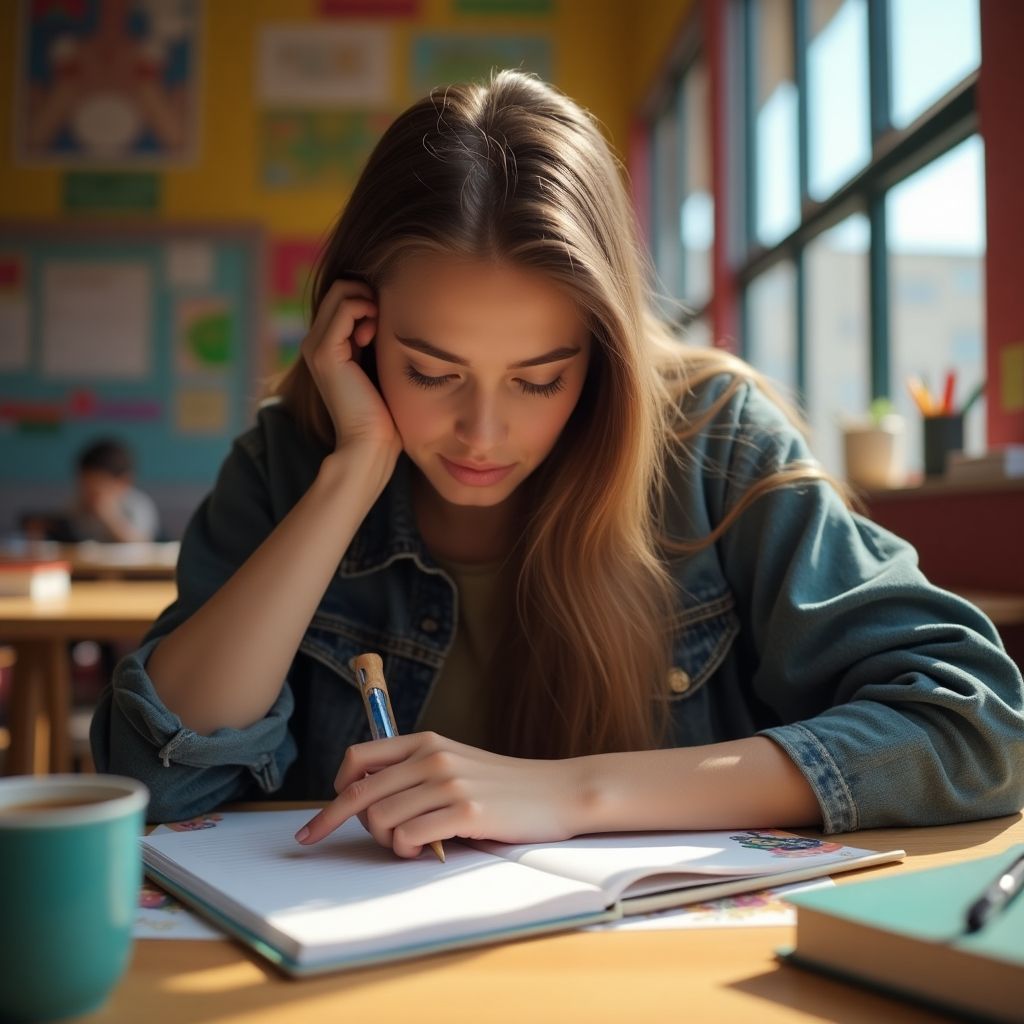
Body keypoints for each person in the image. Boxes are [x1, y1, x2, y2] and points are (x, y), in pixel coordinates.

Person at [92, 71, 1023, 853]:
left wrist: (572, 795)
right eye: (429, 371)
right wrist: (353, 471)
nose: (482, 434)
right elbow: (149, 784)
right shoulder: (292, 462)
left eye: (541, 378)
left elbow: (974, 727)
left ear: (603, 351)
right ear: (361, 332)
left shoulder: (712, 442)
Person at [68, 438, 160, 543]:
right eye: (85, 486)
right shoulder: (78, 504)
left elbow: (142, 544)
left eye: (99, 486)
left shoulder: (138, 505)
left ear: (123, 482)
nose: (90, 493)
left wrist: (109, 516)